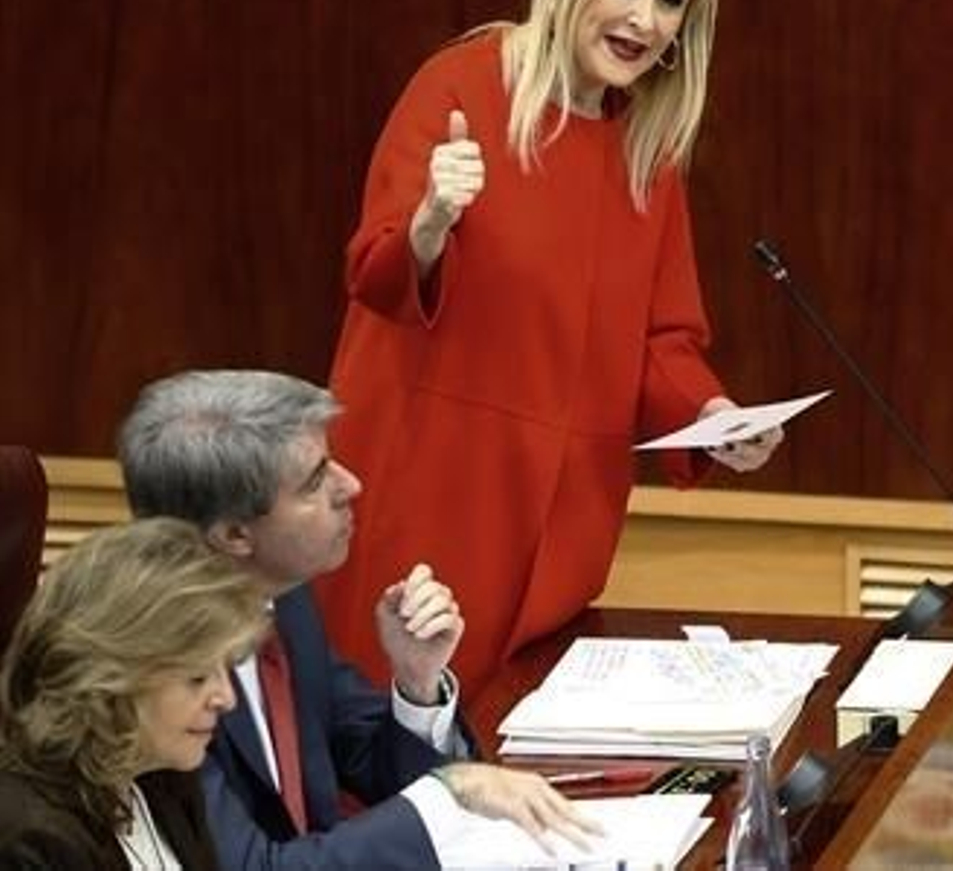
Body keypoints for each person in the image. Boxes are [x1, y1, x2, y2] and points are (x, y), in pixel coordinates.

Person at [317, 0, 783, 695]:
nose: (645, 20)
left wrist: (713, 416)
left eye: (671, 1)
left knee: (513, 780)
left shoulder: (646, 150)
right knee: (394, 766)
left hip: (560, 529)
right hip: (434, 491)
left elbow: (661, 340)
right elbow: (377, 271)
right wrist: (430, 220)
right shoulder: (460, 86)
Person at [117, 369, 599, 871]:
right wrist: (450, 791)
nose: (351, 484)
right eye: (314, 481)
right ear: (236, 535)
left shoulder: (283, 595)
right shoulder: (154, 670)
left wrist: (417, 683)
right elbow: (255, 868)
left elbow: (364, 755)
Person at [0, 516, 267, 870]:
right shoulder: (26, 841)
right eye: (198, 676)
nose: (227, 699)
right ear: (112, 675)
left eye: (226, 668)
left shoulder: (163, 776)